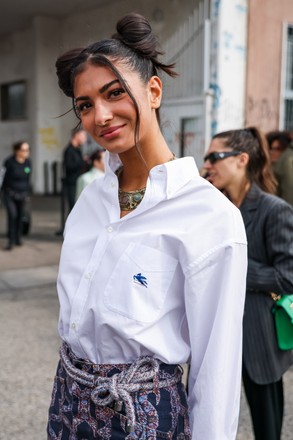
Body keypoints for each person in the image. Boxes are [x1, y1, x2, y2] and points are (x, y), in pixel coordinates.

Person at [47, 13, 248, 440]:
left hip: (145, 420)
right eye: (85, 105)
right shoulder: (89, 201)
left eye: (114, 93)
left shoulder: (210, 217)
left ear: (153, 91)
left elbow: (218, 367)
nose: (100, 115)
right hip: (67, 403)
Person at [203, 127, 293, 440]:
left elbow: (288, 277)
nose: (207, 164)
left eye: (215, 156)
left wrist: (235, 267)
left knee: (267, 429)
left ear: (242, 160)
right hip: (217, 334)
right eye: (206, 157)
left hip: (258, 337)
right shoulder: (215, 211)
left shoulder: (274, 210)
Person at [1, 141, 32, 250]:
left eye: (28, 150)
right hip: (10, 193)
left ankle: (18, 238)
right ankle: (11, 240)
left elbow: (28, 178)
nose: (26, 152)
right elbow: (2, 177)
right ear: (17, 151)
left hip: (22, 194)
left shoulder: (28, 163)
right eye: (24, 150)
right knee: (12, 215)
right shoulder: (9, 162)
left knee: (20, 216)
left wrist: (28, 193)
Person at [62, 127, 87, 212]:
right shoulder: (69, 151)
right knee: (73, 208)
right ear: (76, 136)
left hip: (78, 182)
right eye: (83, 136)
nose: (85, 138)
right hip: (72, 183)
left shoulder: (78, 150)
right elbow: (69, 166)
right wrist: (82, 162)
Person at [266, 130, 293, 206]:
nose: (272, 152)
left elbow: (289, 193)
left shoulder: (287, 162)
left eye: (277, 149)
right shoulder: (267, 167)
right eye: (271, 148)